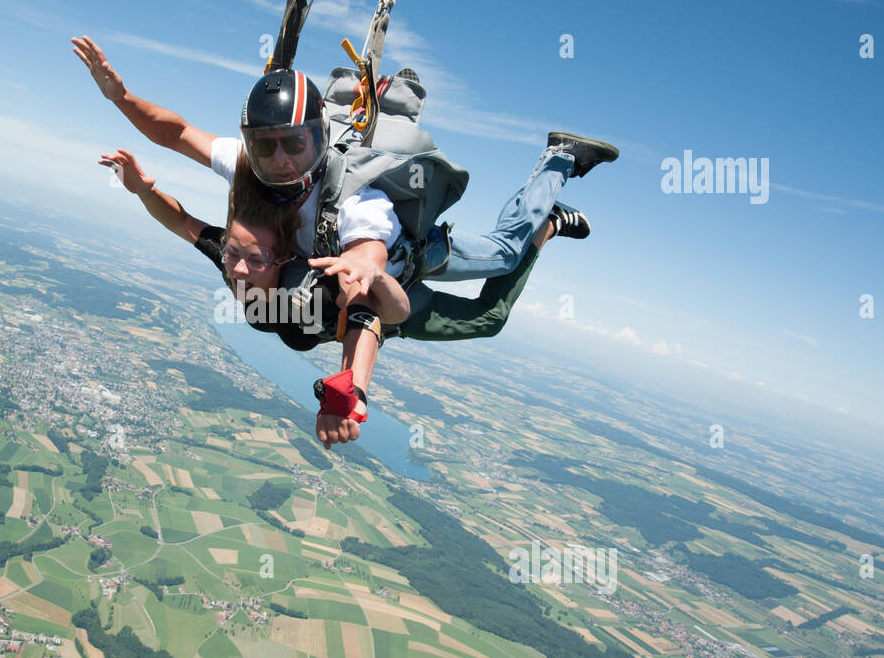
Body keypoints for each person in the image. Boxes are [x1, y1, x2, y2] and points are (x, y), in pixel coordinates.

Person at [99, 146, 568, 449]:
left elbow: (371, 318)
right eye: (233, 257)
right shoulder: (237, 258)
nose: (239, 269)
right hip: (373, 294)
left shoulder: (314, 286)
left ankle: (550, 200)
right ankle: (545, 213)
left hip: (395, 286)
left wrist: (347, 396)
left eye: (256, 259)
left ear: (285, 259)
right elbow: (181, 223)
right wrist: (144, 191)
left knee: (492, 303)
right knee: (490, 292)